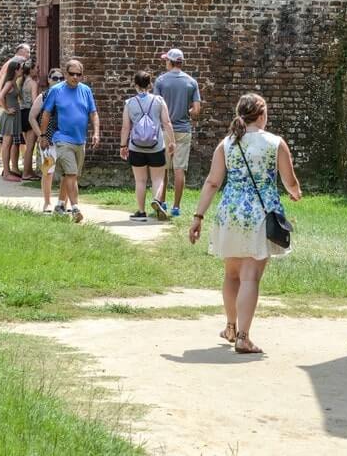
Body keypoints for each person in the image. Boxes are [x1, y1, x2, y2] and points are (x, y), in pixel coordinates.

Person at [188, 93, 302, 354]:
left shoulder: (227, 144)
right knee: (250, 277)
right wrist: (295, 193)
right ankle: (243, 337)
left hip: (230, 213)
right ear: (262, 115)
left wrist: (198, 217)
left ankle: (230, 326)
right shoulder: (275, 143)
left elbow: (212, 182)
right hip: (260, 215)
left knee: (231, 274)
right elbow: (289, 180)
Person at [39, 58, 100, 223]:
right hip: (61, 138)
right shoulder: (56, 91)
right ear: (66, 74)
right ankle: (75, 208)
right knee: (71, 173)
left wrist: (96, 132)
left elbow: (93, 113)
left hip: (80, 140)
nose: (75, 77)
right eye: (72, 74)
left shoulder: (86, 90)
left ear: (82, 75)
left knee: (70, 175)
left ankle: (59, 205)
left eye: (78, 74)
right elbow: (45, 113)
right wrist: (43, 135)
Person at [120, 71, 176, 221]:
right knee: (158, 178)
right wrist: (172, 141)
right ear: (150, 84)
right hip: (156, 146)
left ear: (135, 85)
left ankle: (140, 211)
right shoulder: (159, 101)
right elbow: (167, 123)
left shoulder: (129, 103)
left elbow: (126, 127)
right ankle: (157, 201)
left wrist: (123, 145)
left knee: (140, 180)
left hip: (136, 146)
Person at [153, 47, 201, 219]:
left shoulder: (160, 81)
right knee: (179, 169)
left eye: (166, 60)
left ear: (170, 62)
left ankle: (162, 201)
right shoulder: (191, 82)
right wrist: (186, 111)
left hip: (165, 129)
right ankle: (176, 207)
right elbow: (196, 110)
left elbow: (156, 105)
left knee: (163, 168)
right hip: (183, 130)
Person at [29, 67, 69, 213]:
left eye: (60, 78)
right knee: (48, 171)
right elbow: (32, 117)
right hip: (48, 139)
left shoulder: (67, 96)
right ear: (49, 80)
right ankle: (47, 203)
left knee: (67, 172)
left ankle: (63, 202)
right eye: (55, 78)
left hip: (65, 139)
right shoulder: (44, 96)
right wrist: (40, 135)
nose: (58, 81)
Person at [0, 43, 30, 168]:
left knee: (12, 135)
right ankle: (5, 163)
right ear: (21, 51)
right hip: (8, 106)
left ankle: (17, 160)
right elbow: (3, 87)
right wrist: (4, 106)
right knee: (9, 137)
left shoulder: (8, 63)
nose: (29, 55)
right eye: (28, 52)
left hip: (9, 104)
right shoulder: (16, 62)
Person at [0, 58, 25, 182]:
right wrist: (6, 110)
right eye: (21, 68)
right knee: (6, 145)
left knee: (10, 143)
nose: (23, 70)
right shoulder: (9, 83)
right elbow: (0, 98)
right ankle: (6, 173)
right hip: (9, 117)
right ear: (16, 70)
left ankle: (8, 171)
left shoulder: (14, 82)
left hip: (14, 116)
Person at [17, 60, 39, 181]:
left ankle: (28, 170)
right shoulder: (33, 83)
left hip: (22, 113)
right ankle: (27, 173)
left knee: (27, 145)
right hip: (30, 113)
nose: (38, 70)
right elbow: (35, 101)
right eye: (36, 68)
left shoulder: (21, 82)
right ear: (31, 70)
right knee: (30, 147)